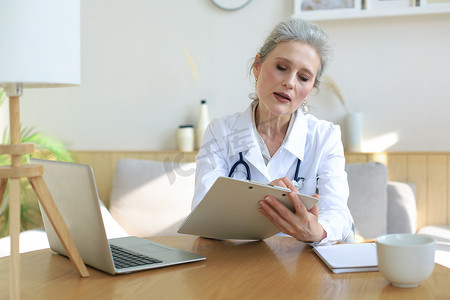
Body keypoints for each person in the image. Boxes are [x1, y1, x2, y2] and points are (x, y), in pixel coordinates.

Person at [192, 18, 354, 244]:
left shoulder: (325, 137)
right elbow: (203, 216)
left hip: (302, 263)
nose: (289, 82)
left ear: (309, 90)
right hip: (236, 265)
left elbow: (338, 213)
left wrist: (318, 231)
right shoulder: (220, 132)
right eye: (281, 68)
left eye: (304, 77)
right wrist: (261, 197)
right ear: (257, 66)